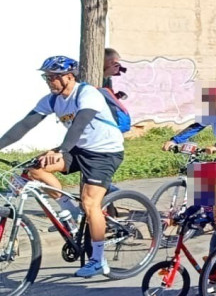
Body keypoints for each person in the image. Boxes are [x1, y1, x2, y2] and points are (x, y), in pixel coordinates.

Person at [0, 56, 125, 277]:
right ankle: (69, 210)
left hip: (104, 152)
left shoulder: (87, 94)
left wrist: (60, 150)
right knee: (35, 169)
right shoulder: (52, 100)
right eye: (47, 78)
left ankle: (98, 260)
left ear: (69, 77)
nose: (50, 82)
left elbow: (79, 124)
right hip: (78, 149)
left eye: (53, 77)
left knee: (90, 204)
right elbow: (24, 125)